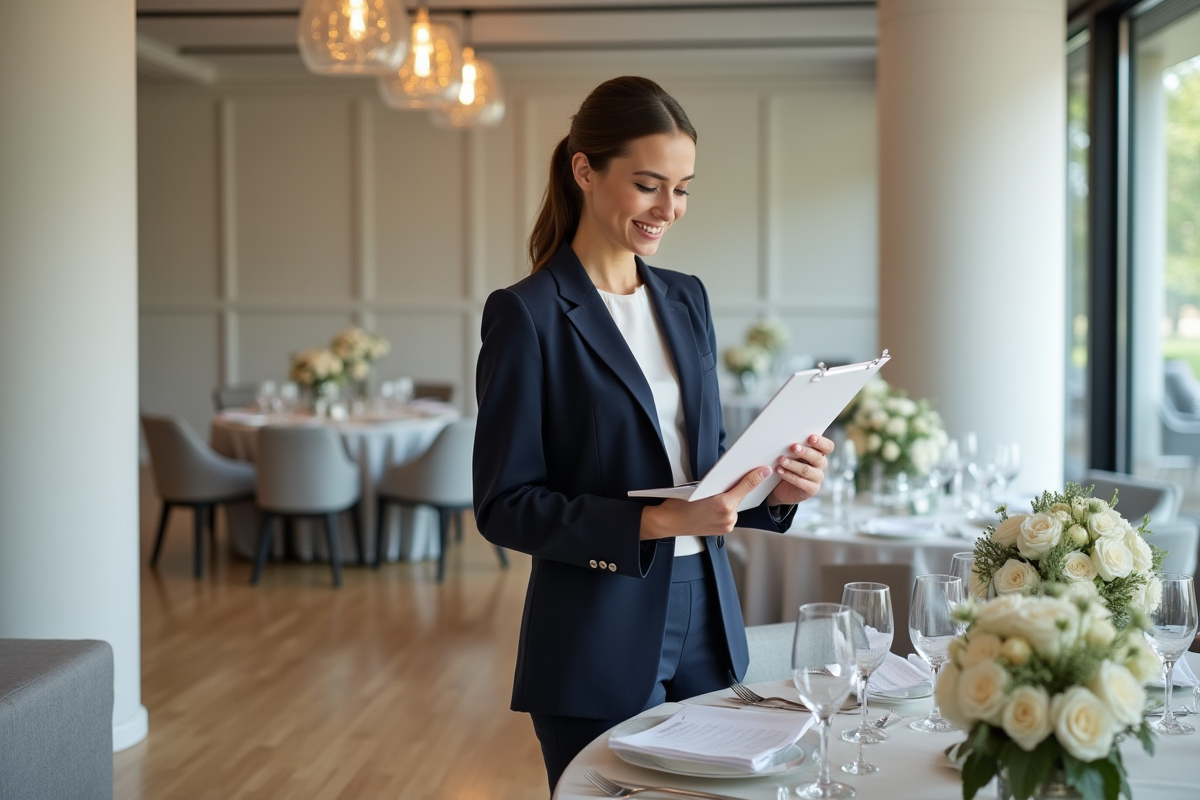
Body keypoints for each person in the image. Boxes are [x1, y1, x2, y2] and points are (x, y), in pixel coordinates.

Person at [472, 75, 833, 794]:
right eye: (648, 185)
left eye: (683, 187)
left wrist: (777, 487)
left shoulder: (685, 297)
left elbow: (707, 465)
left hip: (708, 607)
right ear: (585, 170)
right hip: (596, 630)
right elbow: (504, 504)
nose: (669, 208)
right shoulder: (528, 314)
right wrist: (658, 520)